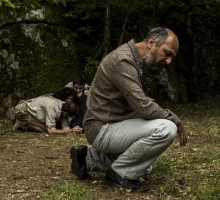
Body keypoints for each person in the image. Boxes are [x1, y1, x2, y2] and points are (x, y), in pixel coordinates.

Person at [70, 27, 187, 190]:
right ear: (152, 42)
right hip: (101, 129)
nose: (168, 61)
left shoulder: (133, 59)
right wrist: (173, 118)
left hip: (110, 125)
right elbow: (143, 107)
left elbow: (140, 103)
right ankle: (120, 174)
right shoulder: (123, 60)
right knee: (167, 128)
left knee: (144, 165)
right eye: (167, 53)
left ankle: (87, 158)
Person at [13, 95, 83, 134]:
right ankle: (21, 123)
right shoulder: (52, 107)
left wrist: (75, 130)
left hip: (35, 113)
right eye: (68, 115)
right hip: (22, 110)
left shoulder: (64, 107)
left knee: (51, 129)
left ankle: (24, 123)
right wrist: (70, 130)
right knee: (45, 129)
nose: (68, 117)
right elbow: (51, 131)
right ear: (65, 112)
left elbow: (65, 128)